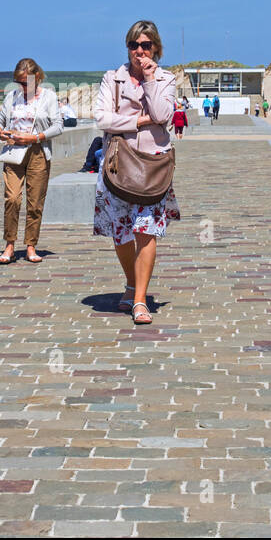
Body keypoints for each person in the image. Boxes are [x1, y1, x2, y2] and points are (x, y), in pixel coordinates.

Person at [94, 20, 180, 326]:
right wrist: (138, 122)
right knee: (121, 234)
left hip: (152, 165)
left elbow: (162, 115)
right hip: (118, 165)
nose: (139, 51)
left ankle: (140, 299)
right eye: (134, 45)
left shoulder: (166, 79)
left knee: (146, 231)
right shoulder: (112, 79)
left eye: (146, 45)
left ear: (155, 47)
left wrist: (149, 79)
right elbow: (102, 119)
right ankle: (131, 283)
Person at [0, 59, 62, 265]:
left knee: (35, 202)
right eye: (19, 82)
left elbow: (58, 126)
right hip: (14, 151)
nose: (22, 87)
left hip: (38, 151)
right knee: (12, 198)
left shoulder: (48, 97)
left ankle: (31, 245)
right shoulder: (11, 97)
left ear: (36, 77)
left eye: (25, 82)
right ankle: (10, 244)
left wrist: (36, 137)